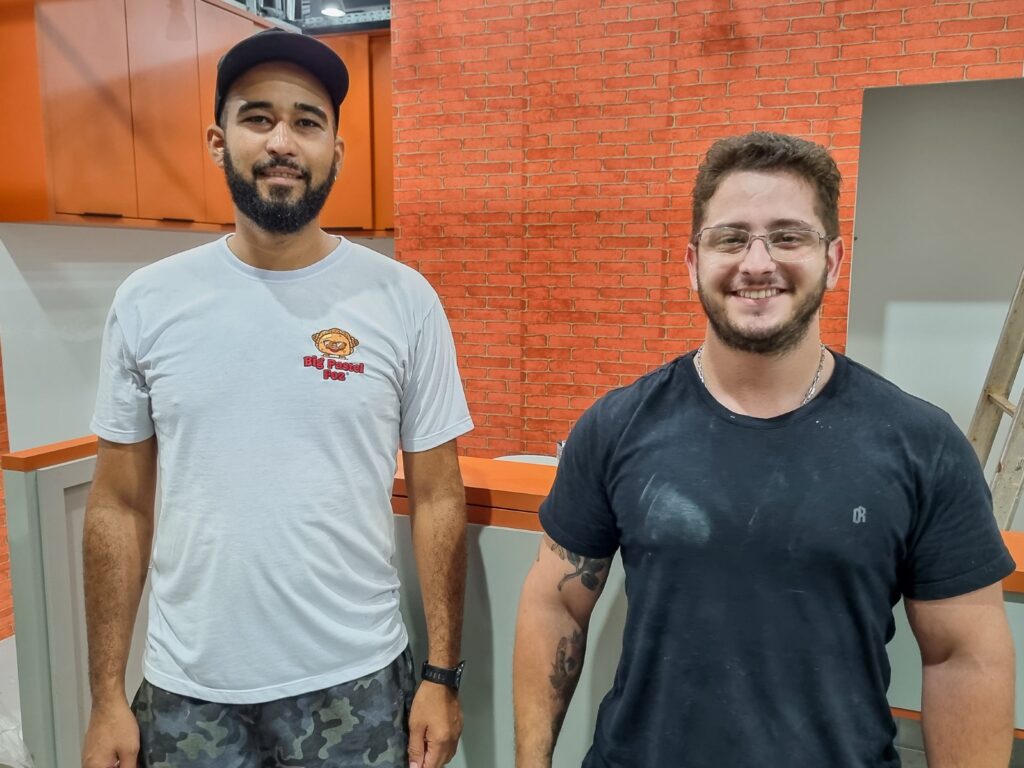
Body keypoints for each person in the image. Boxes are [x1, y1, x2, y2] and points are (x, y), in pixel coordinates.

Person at [513, 131, 1016, 767]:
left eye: (788, 236)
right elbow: (555, 602)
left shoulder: (920, 443)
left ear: (833, 260)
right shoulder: (618, 425)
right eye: (730, 238)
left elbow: (964, 657)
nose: (757, 263)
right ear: (692, 260)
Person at [81, 29, 472, 768]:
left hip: (354, 686)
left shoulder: (403, 301)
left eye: (307, 121)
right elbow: (116, 505)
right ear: (217, 140)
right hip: (188, 691)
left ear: (337, 151)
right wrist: (106, 694)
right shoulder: (148, 302)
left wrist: (442, 676)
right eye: (257, 118)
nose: (282, 141)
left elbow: (439, 494)